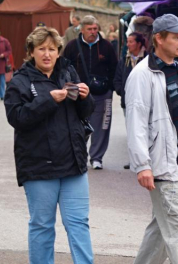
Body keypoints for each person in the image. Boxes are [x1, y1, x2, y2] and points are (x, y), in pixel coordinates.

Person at [4, 26, 95, 264]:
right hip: (39, 167)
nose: (47, 54)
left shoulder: (68, 72)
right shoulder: (20, 82)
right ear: (31, 52)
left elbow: (85, 113)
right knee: (42, 225)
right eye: (41, 49)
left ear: (58, 51)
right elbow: (17, 118)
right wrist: (48, 99)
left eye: (52, 49)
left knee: (79, 223)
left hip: (73, 164)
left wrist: (87, 97)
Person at [125, 14, 178, 264]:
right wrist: (143, 165)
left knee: (161, 230)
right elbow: (136, 123)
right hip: (165, 168)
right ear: (159, 39)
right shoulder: (143, 74)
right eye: (176, 37)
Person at [63, 15, 118, 170]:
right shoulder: (72, 46)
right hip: (78, 94)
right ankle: (80, 155)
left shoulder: (106, 46)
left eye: (95, 29)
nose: (93, 32)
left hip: (102, 94)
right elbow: (64, 67)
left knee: (102, 126)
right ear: (82, 29)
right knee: (78, 126)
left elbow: (115, 67)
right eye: (90, 29)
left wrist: (111, 88)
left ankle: (97, 158)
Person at [113, 32, 147, 169]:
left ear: (139, 44)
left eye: (131, 41)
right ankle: (134, 160)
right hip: (128, 103)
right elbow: (117, 79)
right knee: (132, 131)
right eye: (127, 41)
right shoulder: (124, 60)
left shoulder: (149, 59)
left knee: (146, 130)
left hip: (146, 103)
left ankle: (146, 160)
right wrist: (122, 92)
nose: (128, 44)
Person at [0, 31, 12, 100]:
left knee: (2, 80)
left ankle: (2, 95)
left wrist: (3, 55)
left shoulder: (4, 41)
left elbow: (9, 50)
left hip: (1, 64)